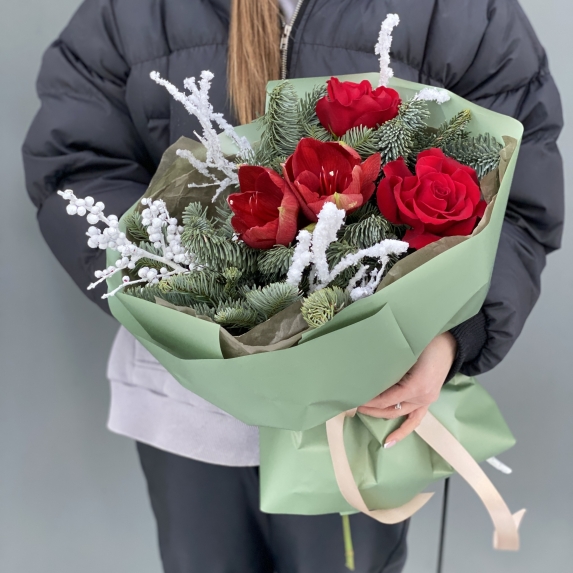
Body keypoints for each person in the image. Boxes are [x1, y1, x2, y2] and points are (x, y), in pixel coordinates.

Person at [22, 0, 563, 571]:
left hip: (361, 412)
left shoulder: (460, 12)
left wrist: (452, 334)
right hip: (188, 409)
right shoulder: (130, 11)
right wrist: (178, 284)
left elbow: (517, 194)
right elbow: (75, 164)